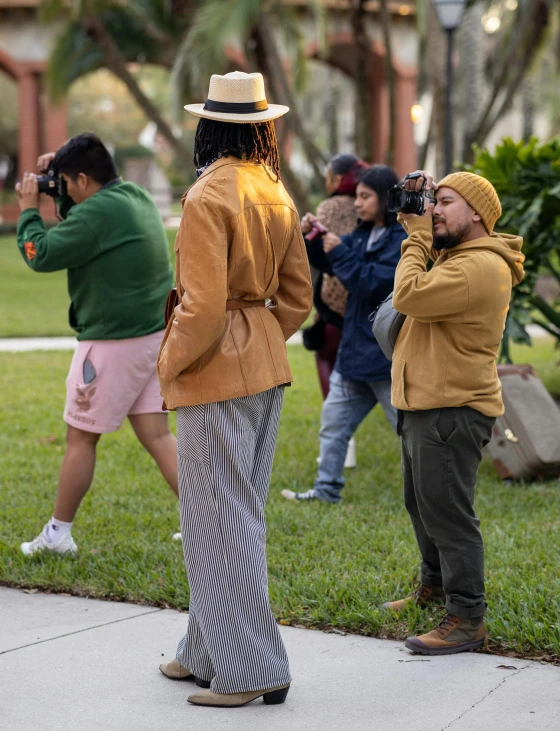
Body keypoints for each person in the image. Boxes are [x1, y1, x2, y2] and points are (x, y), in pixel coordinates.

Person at [157, 72, 312, 708]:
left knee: (218, 519)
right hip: (264, 366)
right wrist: (259, 336)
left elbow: (200, 308)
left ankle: (252, 670)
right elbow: (298, 298)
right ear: (260, 126)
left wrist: (166, 363)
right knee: (237, 513)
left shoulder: (208, 193)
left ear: (208, 125)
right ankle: (206, 651)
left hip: (214, 371)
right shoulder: (274, 188)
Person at [382, 171, 525, 656]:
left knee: (449, 516)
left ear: (478, 213)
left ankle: (467, 618)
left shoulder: (477, 268)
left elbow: (409, 295)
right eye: (432, 201)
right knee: (422, 506)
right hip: (425, 405)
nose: (434, 210)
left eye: (445, 201)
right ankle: (435, 587)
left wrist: (416, 239)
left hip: (451, 410)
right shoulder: (458, 257)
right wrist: (418, 230)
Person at [16, 133, 177, 556]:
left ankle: (57, 535)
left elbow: (42, 253)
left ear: (82, 179)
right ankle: (210, 526)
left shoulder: (97, 214)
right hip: (152, 336)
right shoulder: (133, 197)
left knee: (80, 439)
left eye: (65, 183)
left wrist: (30, 209)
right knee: (158, 436)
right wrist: (60, 185)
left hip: (112, 341)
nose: (62, 189)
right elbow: (84, 223)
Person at [282, 165, 405, 504]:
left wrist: (338, 251)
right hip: (352, 357)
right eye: (357, 196)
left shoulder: (403, 242)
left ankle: (432, 493)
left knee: (412, 435)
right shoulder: (363, 234)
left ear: (385, 198)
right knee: (333, 428)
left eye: (365, 197)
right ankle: (325, 491)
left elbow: (366, 282)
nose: (357, 204)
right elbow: (332, 260)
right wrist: (313, 237)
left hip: (385, 360)